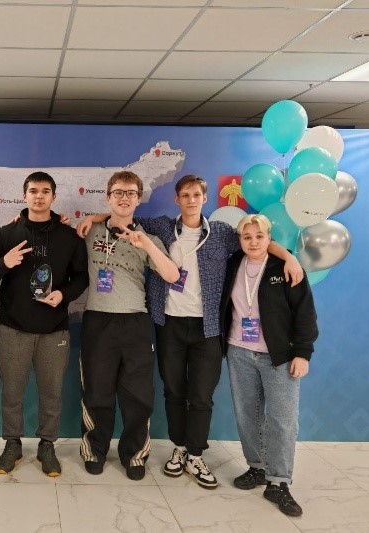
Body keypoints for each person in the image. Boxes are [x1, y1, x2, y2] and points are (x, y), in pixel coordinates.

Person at [77, 174, 303, 489]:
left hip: (202, 326)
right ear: (177, 199)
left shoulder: (218, 233)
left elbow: (257, 241)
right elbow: (121, 215)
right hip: (164, 323)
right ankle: (167, 449)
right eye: (185, 195)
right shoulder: (160, 227)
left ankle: (188, 455)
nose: (191, 200)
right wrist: (93, 217)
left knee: (194, 396)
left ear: (204, 198)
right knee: (165, 392)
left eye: (196, 195)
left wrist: (289, 256)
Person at [0, 171, 89, 477]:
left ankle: (47, 445)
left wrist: (63, 295)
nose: (39, 196)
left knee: (51, 392)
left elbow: (81, 277)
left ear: (53, 197)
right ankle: (12, 444)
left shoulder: (69, 237)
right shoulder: (6, 234)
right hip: (13, 327)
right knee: (12, 392)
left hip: (54, 329)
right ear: (24, 195)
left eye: (45, 191)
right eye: (33, 191)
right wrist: (4, 263)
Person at [80, 171, 179, 480]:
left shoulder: (148, 237)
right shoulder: (90, 230)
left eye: (131, 193)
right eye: (118, 192)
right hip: (97, 319)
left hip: (135, 321)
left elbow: (172, 275)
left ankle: (134, 454)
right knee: (96, 391)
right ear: (108, 197)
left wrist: (145, 244)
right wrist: (94, 217)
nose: (124, 198)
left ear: (139, 199)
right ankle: (94, 450)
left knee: (138, 395)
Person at [221, 214, 317, 517]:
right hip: (239, 351)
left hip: (279, 356)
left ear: (269, 239)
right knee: (247, 415)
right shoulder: (233, 263)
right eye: (247, 237)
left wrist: (302, 353)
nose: (253, 242)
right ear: (240, 240)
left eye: (259, 237)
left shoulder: (285, 268)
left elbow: (305, 313)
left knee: (282, 420)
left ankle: (279, 482)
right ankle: (257, 467)